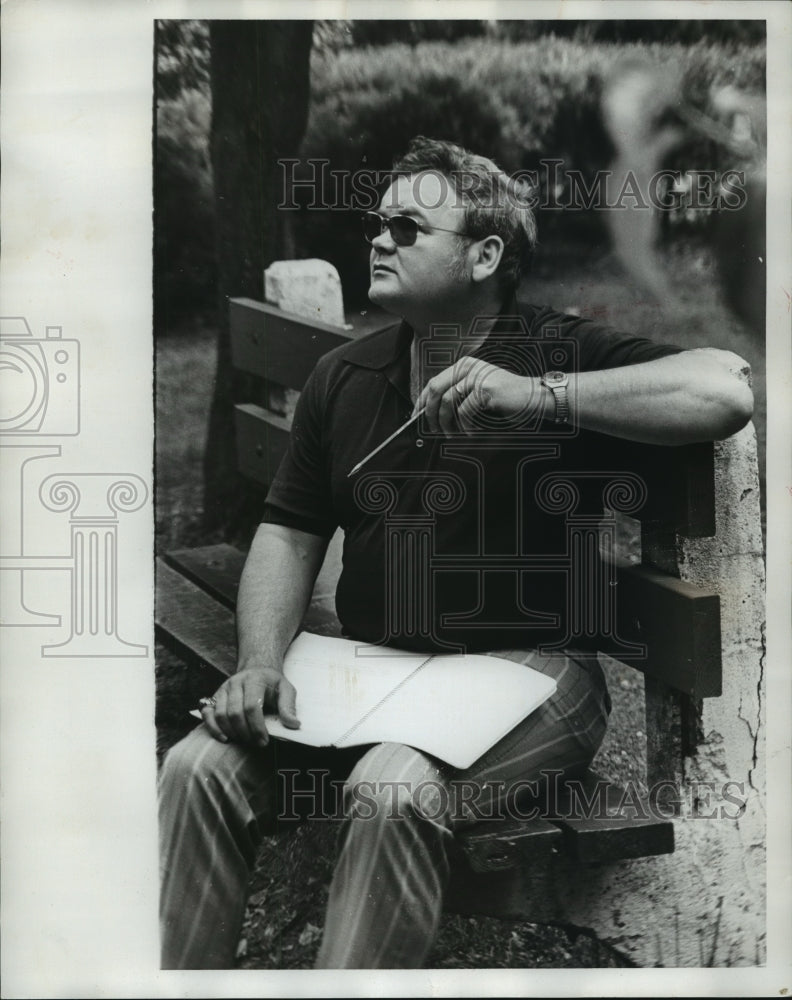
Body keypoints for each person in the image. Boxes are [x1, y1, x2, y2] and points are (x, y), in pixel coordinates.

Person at [158, 137, 753, 969]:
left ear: (485, 255)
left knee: (391, 785)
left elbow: (724, 386)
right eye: (377, 222)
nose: (378, 238)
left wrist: (539, 395)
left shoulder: (550, 350)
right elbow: (291, 531)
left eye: (407, 226)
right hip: (372, 674)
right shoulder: (345, 374)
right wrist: (259, 661)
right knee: (199, 766)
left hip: (533, 674)